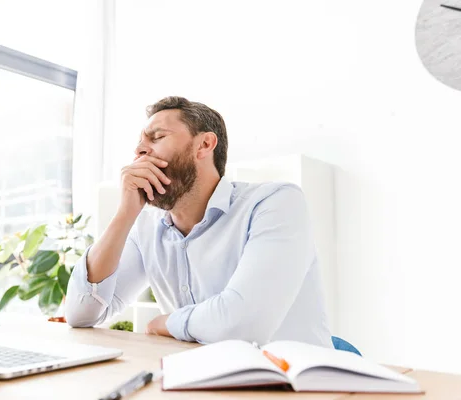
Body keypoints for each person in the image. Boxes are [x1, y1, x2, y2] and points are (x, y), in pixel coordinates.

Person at [65, 96, 332, 347]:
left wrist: (168, 322)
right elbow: (80, 313)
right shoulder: (147, 227)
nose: (139, 149)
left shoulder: (275, 202)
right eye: (140, 142)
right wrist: (124, 215)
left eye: (157, 137)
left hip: (292, 385)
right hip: (202, 381)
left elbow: (242, 324)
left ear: (204, 145)